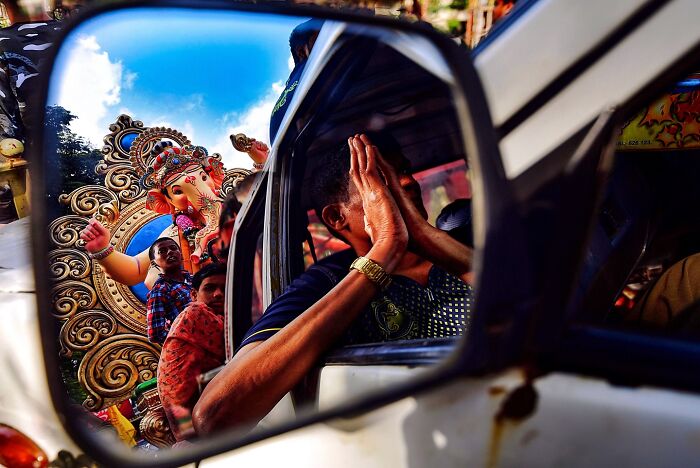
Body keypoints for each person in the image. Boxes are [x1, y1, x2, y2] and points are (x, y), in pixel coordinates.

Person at [193, 133, 474, 434]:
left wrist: (429, 239)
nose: (407, 182)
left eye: (404, 171)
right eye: (380, 180)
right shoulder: (326, 283)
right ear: (337, 217)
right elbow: (214, 415)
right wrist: (385, 249)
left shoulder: (469, 238)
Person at [157, 263, 226, 443]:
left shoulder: (212, 315)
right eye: (210, 288)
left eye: (225, 288)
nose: (218, 294)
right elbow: (237, 347)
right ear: (193, 295)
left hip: (191, 422)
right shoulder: (196, 312)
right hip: (196, 426)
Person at [145, 237, 193, 344]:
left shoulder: (194, 279)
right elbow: (155, 334)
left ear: (180, 253)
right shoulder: (159, 290)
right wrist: (190, 338)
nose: (170, 252)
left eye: (173, 248)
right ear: (153, 263)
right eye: (162, 251)